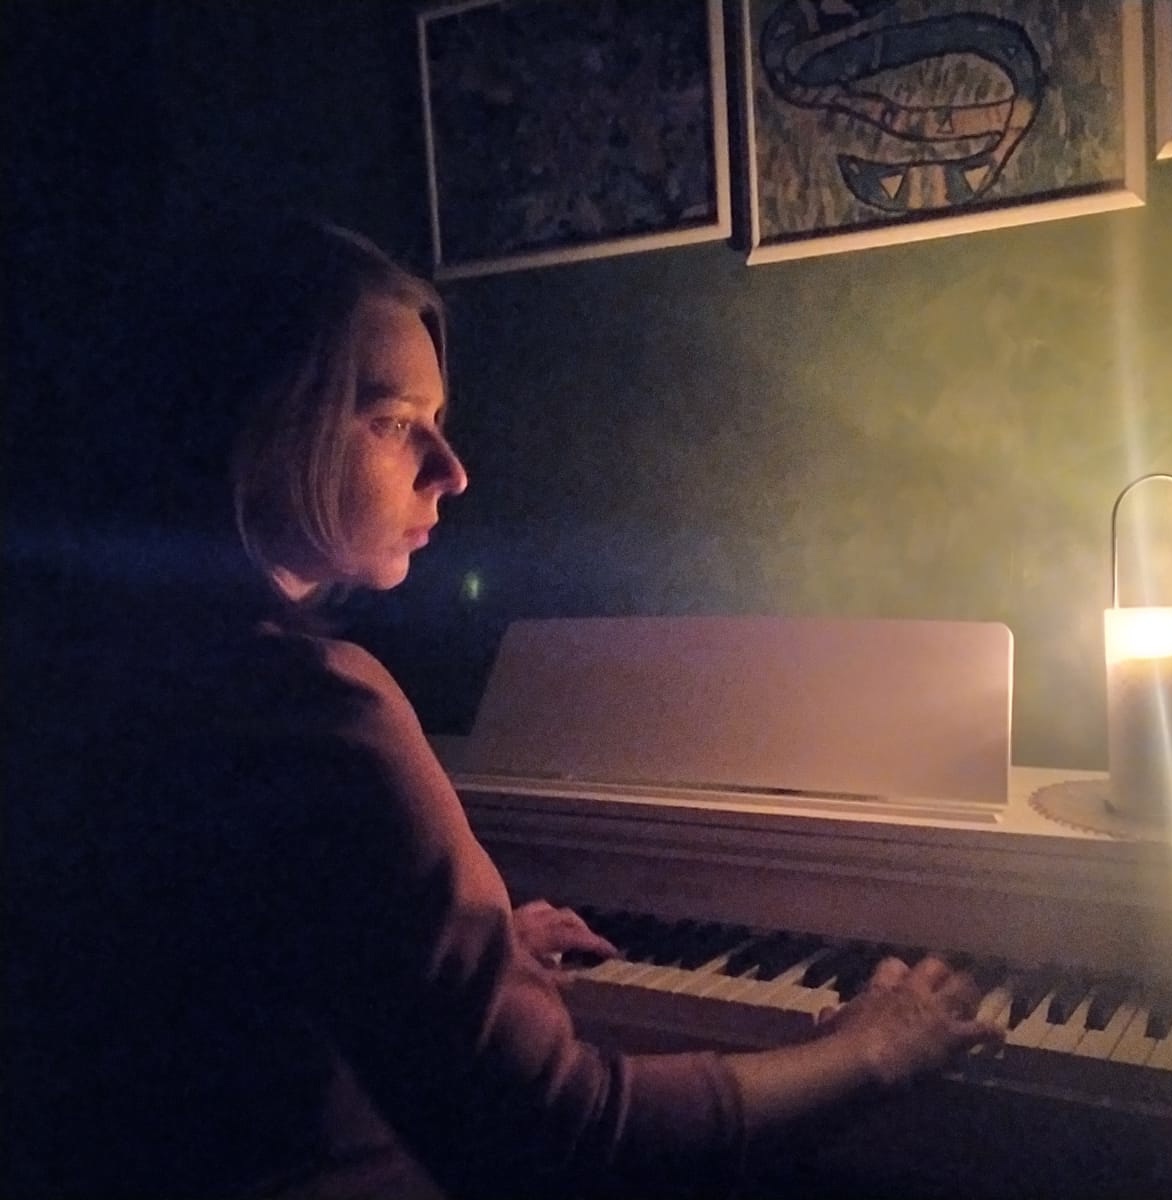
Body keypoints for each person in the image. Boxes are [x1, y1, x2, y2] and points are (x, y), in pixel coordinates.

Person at [5, 217, 1002, 1199]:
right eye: (393, 421)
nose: (451, 470)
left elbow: (219, 984)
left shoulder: (87, 663)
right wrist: (872, 1051)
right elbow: (565, 1137)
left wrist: (442, 966)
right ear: (255, 423)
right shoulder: (312, 712)